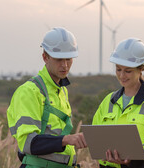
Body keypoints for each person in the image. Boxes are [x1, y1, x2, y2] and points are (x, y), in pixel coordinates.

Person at [7, 27, 87, 168]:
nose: (65, 65)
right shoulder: (29, 91)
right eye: (59, 59)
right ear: (45, 57)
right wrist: (67, 140)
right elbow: (28, 142)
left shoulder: (62, 91)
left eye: (69, 59)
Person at [93, 38, 144, 168]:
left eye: (128, 71)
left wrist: (132, 160)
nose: (122, 75)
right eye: (118, 69)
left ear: (141, 69)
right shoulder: (108, 101)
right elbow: (95, 140)